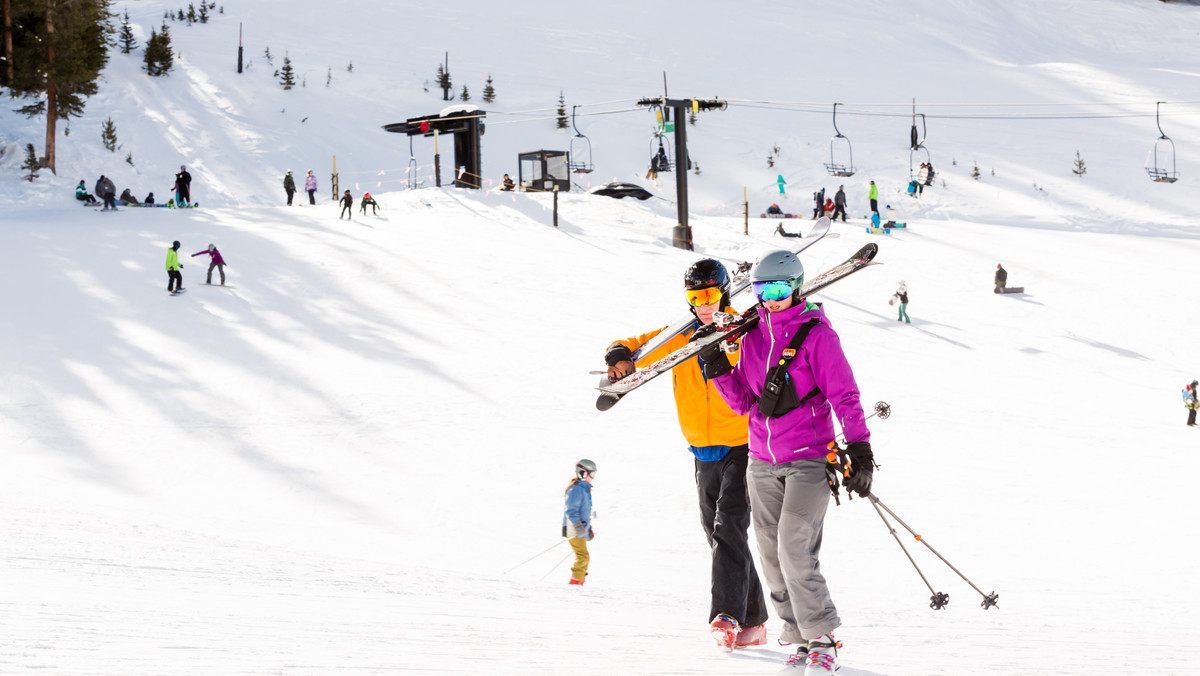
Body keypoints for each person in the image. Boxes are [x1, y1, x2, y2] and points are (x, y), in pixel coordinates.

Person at [704, 249, 874, 674]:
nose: (771, 298)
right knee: (768, 551)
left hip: (809, 459)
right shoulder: (753, 337)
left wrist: (860, 449)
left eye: (779, 289)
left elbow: (846, 396)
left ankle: (823, 637)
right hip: (761, 461)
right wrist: (718, 368)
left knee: (794, 545)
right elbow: (745, 403)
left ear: (796, 288)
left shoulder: (817, 335)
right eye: (762, 290)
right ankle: (799, 637)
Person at [605, 259, 768, 650]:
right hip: (702, 449)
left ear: (725, 293)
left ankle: (725, 615)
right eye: (696, 297)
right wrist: (618, 358)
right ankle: (755, 620)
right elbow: (632, 345)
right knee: (718, 534)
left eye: (711, 295)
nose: (704, 304)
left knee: (729, 525)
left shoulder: (742, 330)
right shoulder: (679, 335)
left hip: (744, 443)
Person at [563, 459, 596, 586]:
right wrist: (578, 526)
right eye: (591, 474)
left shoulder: (584, 489)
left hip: (580, 529)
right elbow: (571, 510)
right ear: (582, 473)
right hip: (573, 529)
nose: (593, 478)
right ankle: (575, 584)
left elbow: (585, 513)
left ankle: (579, 582)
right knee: (583, 556)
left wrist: (588, 530)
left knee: (584, 557)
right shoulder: (576, 490)